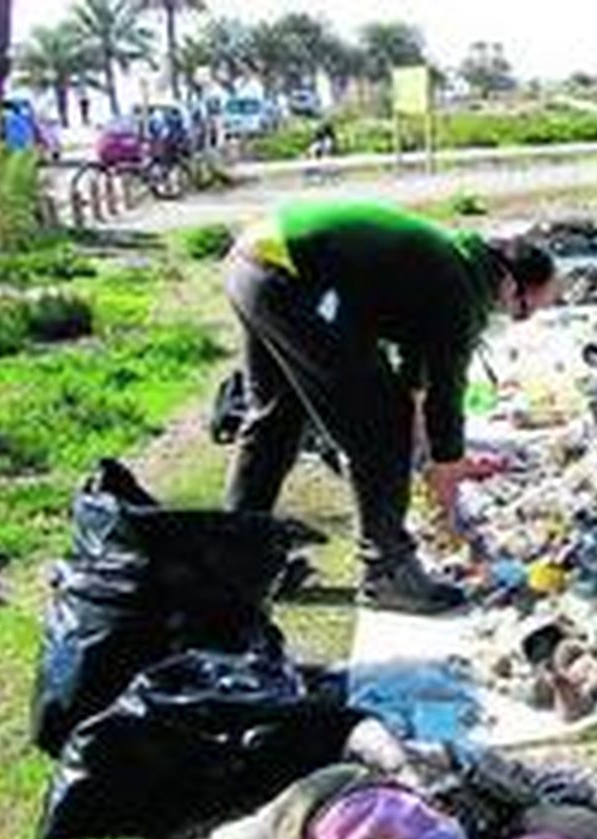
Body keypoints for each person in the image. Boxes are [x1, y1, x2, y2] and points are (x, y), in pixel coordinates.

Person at [223, 200, 558, 613]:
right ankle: (388, 572)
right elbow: (445, 392)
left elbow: (417, 367)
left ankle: (236, 563)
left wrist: (424, 436)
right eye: (522, 311)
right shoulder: (464, 291)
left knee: (276, 420)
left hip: (254, 262)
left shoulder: (451, 262)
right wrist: (446, 468)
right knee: (380, 428)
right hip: (291, 277)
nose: (510, 317)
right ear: (510, 285)